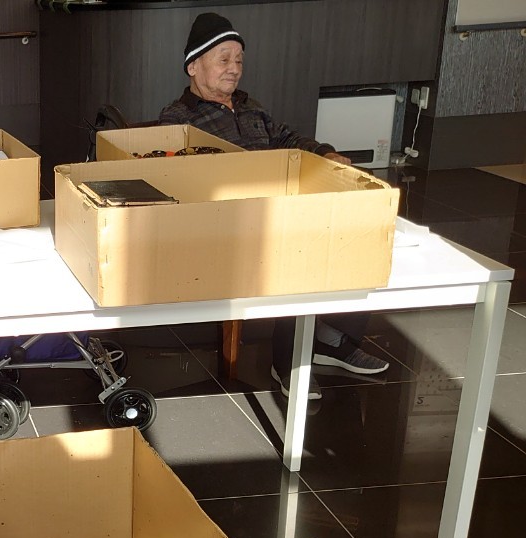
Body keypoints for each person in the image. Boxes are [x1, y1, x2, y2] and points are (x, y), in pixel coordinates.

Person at [160, 12, 391, 399]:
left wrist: (324, 153)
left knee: (353, 234)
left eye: (239, 60)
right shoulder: (178, 118)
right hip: (225, 224)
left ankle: (333, 339)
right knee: (296, 250)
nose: (234, 69)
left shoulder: (251, 107)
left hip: (277, 210)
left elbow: (285, 138)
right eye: (223, 59)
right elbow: (184, 176)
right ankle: (291, 361)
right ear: (193, 66)